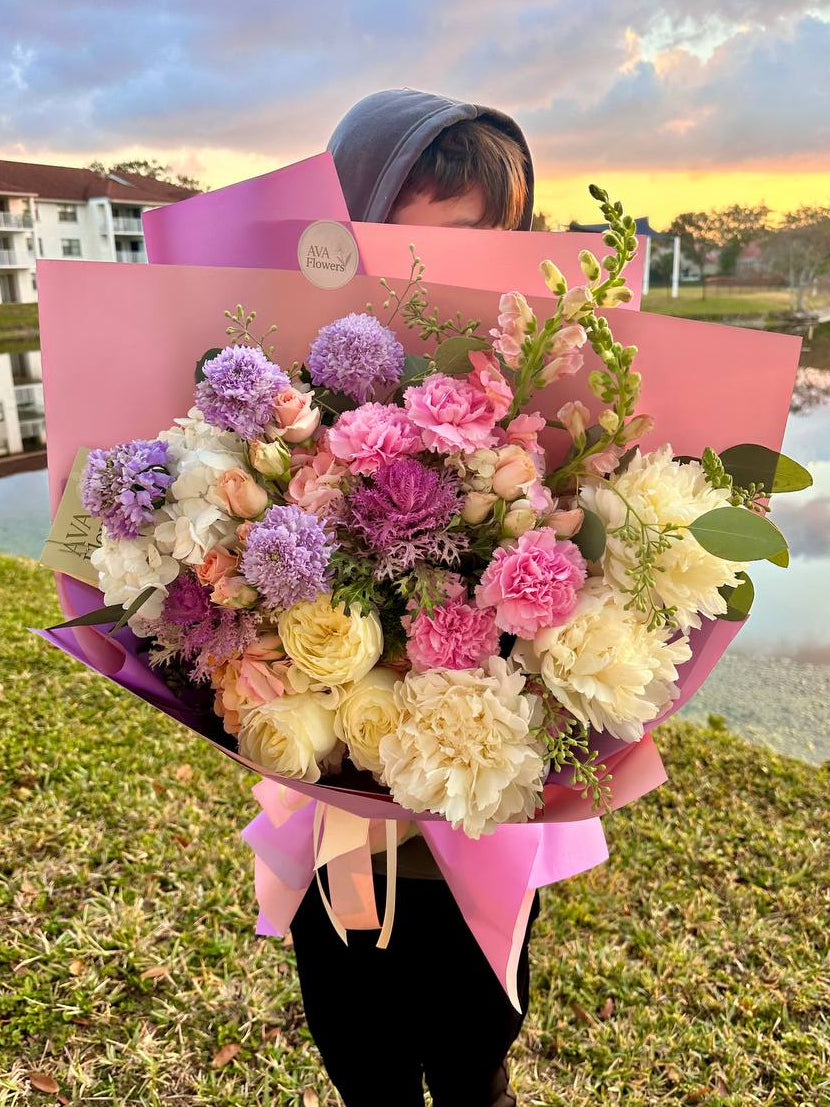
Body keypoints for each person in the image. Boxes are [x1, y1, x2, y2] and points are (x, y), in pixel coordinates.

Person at [288, 89, 540, 1107]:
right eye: (404, 244)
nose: (438, 286)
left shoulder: (534, 416)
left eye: (485, 250)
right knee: (365, 1058)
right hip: (343, 830)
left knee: (476, 1056)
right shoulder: (292, 406)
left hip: (481, 834)